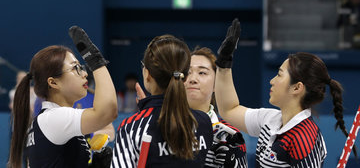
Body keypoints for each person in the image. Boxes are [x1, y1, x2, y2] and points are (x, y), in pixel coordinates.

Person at [213, 18, 356, 167]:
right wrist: (224, 64)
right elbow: (229, 110)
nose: (272, 81)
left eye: (280, 74)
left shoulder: (304, 139)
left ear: (297, 88)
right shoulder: (270, 120)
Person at [8, 26, 118, 168]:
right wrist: (95, 61)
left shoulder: (49, 119)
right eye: (75, 68)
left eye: (81, 67)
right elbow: (108, 111)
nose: (84, 74)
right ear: (53, 82)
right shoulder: (54, 118)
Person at [111, 35, 213, 167]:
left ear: (147, 74)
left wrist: (146, 115)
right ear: (186, 76)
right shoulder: (203, 121)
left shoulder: (131, 128)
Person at [184, 47, 247, 168]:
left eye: (202, 72)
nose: (192, 79)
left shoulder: (230, 135)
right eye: (187, 72)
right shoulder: (162, 125)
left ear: (216, 84)